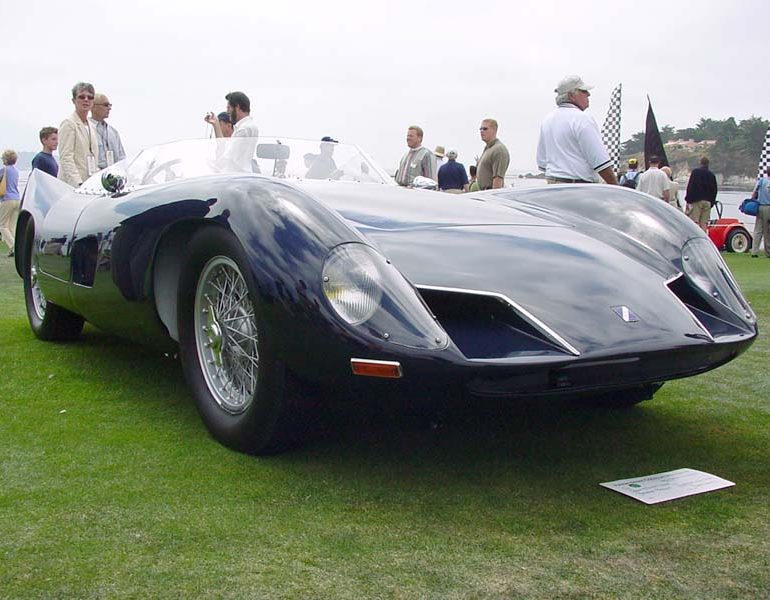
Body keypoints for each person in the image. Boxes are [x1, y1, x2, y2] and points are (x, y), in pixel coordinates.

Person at [536, 76, 618, 185]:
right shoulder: (582, 119)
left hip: (552, 185)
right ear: (571, 95)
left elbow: (542, 162)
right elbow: (600, 161)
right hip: (578, 188)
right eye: (584, 91)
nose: (588, 94)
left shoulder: (547, 120)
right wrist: (615, 186)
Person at [204, 91, 259, 171]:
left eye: (229, 108)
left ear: (237, 107)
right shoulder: (248, 125)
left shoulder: (244, 129)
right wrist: (216, 125)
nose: (227, 111)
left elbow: (226, 157)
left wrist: (210, 163)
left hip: (235, 178)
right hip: (238, 176)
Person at [58, 82, 99, 187]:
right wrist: (78, 183)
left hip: (90, 184)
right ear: (74, 100)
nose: (86, 100)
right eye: (81, 97)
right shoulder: (68, 124)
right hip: (72, 186)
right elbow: (66, 158)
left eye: (90, 97)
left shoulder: (92, 126)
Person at [90, 93, 126, 169]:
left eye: (110, 105)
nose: (109, 108)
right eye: (106, 105)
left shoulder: (113, 132)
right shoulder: (86, 129)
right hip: (93, 176)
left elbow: (122, 158)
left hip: (113, 176)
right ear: (93, 106)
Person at [685, 156, 718, 232]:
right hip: (707, 202)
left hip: (696, 200)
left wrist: (688, 200)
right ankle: (704, 239)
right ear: (708, 164)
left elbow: (691, 186)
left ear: (700, 163)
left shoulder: (695, 172)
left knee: (694, 222)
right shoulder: (711, 175)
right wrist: (712, 202)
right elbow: (715, 190)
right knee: (704, 223)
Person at [477, 118, 510, 189]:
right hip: (482, 193)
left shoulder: (499, 150)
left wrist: (491, 199)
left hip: (489, 194)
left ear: (494, 130)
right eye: (480, 129)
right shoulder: (488, 148)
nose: (481, 131)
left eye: (485, 129)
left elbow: (498, 180)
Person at [0, 149, 21, 256]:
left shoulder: (3, 170)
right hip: (17, 198)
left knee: (2, 225)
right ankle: (15, 247)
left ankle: (13, 246)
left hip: (6, 199)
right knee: (11, 226)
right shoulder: (16, 171)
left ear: (5, 159)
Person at [750, 167, 770, 257]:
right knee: (767, 231)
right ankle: (768, 251)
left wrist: (752, 201)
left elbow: (754, 193)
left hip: (760, 206)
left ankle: (754, 251)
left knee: (758, 230)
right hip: (768, 207)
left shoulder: (761, 181)